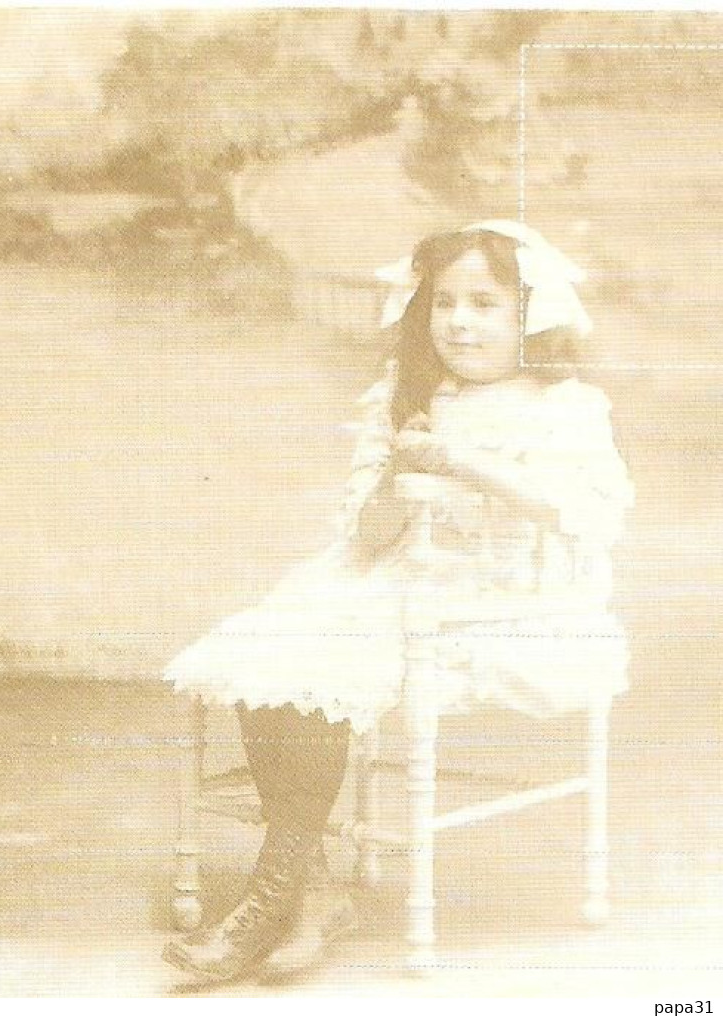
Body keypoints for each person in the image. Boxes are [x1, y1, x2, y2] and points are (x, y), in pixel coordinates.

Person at [161, 220, 634, 988]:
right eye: (443, 302)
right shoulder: (410, 396)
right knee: (269, 654)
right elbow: (367, 536)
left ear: (530, 313)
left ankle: (265, 904)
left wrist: (466, 463)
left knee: (319, 660)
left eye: (484, 303)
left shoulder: (563, 405)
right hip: (396, 582)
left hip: (506, 599)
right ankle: (306, 892)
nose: (458, 321)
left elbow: (589, 515)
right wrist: (399, 470)